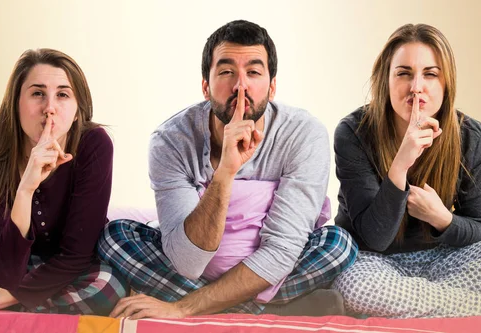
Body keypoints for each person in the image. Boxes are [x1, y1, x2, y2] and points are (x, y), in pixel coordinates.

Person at [98, 19, 358, 319]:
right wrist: (225, 172)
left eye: (253, 72)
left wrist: (182, 308)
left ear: (272, 86)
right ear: (206, 86)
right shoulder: (170, 140)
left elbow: (283, 249)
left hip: (258, 268)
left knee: (339, 245)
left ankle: (197, 306)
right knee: (114, 236)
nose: (240, 86)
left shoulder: (303, 134)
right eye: (226, 72)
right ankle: (275, 308)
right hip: (195, 271)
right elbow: (187, 262)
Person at [331, 23, 481, 318]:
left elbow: (479, 230)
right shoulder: (353, 132)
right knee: (358, 289)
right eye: (403, 73)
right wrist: (401, 164)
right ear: (385, 80)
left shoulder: (472, 137)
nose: (416, 86)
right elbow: (375, 238)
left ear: (446, 83)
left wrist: (442, 218)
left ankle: (419, 301)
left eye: (430, 74)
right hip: (374, 262)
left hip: (444, 261)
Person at [0, 48, 126, 315]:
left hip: (71, 270)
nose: (50, 108)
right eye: (37, 94)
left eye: (63, 95)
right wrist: (26, 188)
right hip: (5, 265)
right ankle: (25, 301)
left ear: (78, 110)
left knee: (106, 288)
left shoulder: (94, 144)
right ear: (16, 103)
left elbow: (75, 257)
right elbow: (1, 270)